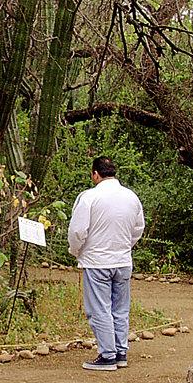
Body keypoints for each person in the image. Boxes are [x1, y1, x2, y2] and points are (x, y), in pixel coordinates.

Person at [67, 156, 145, 371]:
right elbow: (138, 228)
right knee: (120, 309)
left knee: (100, 308)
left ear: (95, 174)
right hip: (122, 260)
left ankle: (107, 355)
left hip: (97, 261)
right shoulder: (131, 197)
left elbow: (77, 231)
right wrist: (124, 246)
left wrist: (76, 251)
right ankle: (121, 352)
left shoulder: (89, 197)